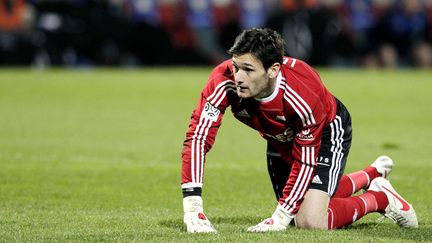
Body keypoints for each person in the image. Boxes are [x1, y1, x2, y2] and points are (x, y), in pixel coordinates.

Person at [180, 28, 418, 233]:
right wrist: (193, 210)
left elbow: (305, 162)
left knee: (309, 220)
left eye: (248, 70)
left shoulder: (302, 95)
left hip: (326, 130)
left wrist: (280, 217)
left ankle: (380, 198)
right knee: (298, 207)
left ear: (273, 70)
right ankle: (370, 176)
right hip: (279, 136)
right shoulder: (223, 80)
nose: (238, 77)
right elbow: (198, 138)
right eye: (235, 66)